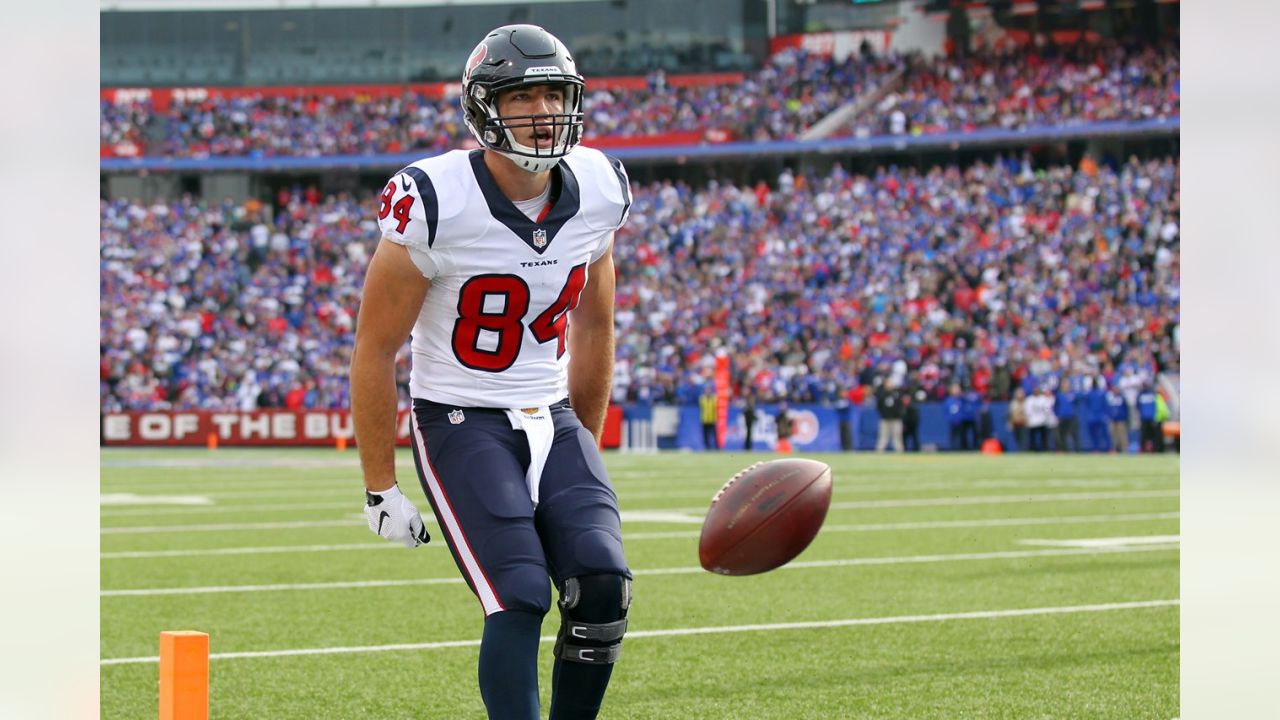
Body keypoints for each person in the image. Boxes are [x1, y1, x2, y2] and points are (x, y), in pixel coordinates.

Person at [349, 25, 632, 720]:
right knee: (519, 592)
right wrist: (379, 485)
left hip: (551, 413)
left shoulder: (598, 186)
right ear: (484, 110)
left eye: (553, 93)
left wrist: (583, 441)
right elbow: (374, 348)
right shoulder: (436, 199)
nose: (541, 110)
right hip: (459, 416)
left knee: (603, 585)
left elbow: (596, 325)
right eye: (522, 95)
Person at [699, 384, 719, 450]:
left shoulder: (714, 398)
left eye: (709, 390)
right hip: (705, 419)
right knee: (705, 435)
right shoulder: (702, 398)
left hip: (712, 419)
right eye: (706, 390)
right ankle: (707, 447)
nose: (707, 391)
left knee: (714, 435)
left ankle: (717, 447)